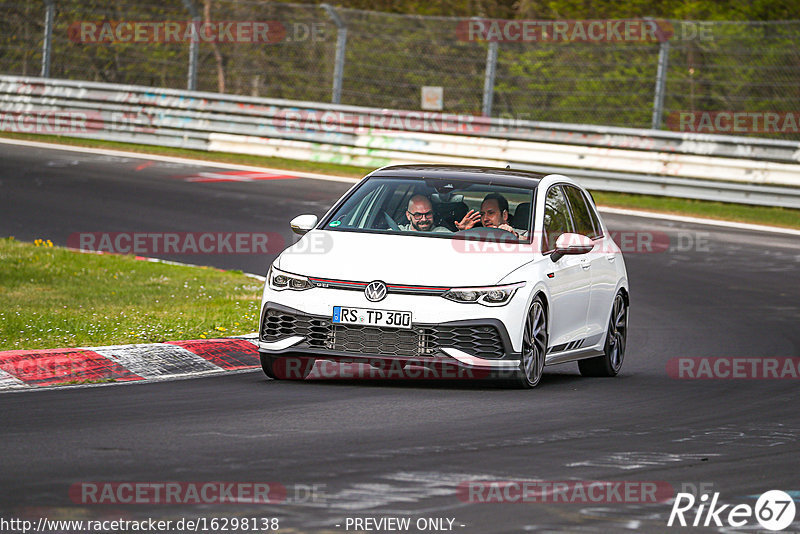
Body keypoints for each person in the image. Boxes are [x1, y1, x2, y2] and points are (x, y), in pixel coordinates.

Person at [457, 193, 528, 238]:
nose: (485, 219)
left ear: (504, 215)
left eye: (491, 213)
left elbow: (531, 242)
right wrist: (463, 232)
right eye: (482, 214)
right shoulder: (478, 232)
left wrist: (514, 236)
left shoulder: (523, 233)